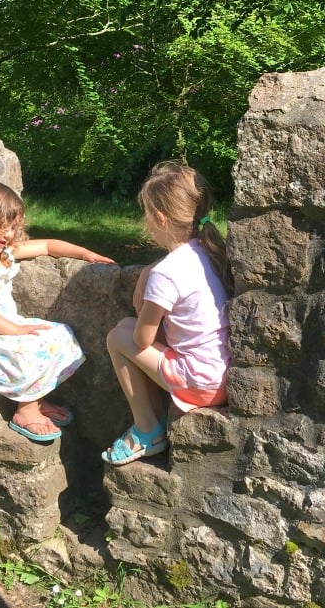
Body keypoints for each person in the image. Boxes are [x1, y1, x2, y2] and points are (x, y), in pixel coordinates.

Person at [0, 180, 115, 443]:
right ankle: (25, 410)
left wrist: (85, 254)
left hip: (4, 329)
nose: (9, 234)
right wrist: (15, 330)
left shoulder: (4, 253)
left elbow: (47, 246)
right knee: (27, 349)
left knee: (61, 334)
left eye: (13, 227)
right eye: (1, 226)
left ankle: (37, 399)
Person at [102, 161, 233, 465]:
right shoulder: (210, 249)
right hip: (224, 372)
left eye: (146, 214)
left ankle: (148, 430)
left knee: (118, 336)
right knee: (127, 328)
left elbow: (142, 338)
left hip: (201, 384)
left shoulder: (167, 274)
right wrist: (150, 268)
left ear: (160, 218)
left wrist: (152, 281)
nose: (145, 221)